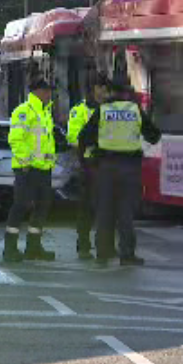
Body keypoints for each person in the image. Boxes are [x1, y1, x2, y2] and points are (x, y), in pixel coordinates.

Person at [78, 76, 161, 266]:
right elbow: (154, 136)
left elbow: (84, 137)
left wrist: (87, 163)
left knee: (104, 210)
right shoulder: (135, 110)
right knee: (126, 212)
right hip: (130, 168)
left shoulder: (103, 110)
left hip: (105, 167)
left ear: (111, 92)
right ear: (126, 93)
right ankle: (127, 254)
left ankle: (102, 252)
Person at [3, 79, 58, 263]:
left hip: (43, 169)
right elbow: (16, 139)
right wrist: (25, 162)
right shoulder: (24, 111)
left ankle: (33, 248)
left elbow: (46, 142)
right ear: (37, 92)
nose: (49, 94)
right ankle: (9, 249)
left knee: (42, 207)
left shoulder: (45, 112)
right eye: (47, 90)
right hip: (27, 169)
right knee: (20, 206)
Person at [66, 72, 111, 260]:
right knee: (87, 207)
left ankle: (106, 245)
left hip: (109, 164)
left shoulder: (112, 110)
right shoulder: (80, 110)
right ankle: (83, 244)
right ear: (92, 90)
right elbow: (73, 137)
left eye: (106, 89)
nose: (103, 92)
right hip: (89, 164)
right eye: (99, 88)